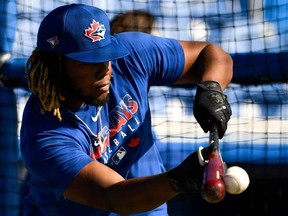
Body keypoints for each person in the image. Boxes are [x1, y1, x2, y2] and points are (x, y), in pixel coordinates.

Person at [20, 3, 232, 216]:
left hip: (148, 204)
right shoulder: (44, 135)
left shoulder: (130, 55)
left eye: (106, 56)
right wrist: (178, 179)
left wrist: (211, 90)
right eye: (87, 62)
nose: (104, 70)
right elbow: (114, 196)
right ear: (56, 65)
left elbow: (211, 54)